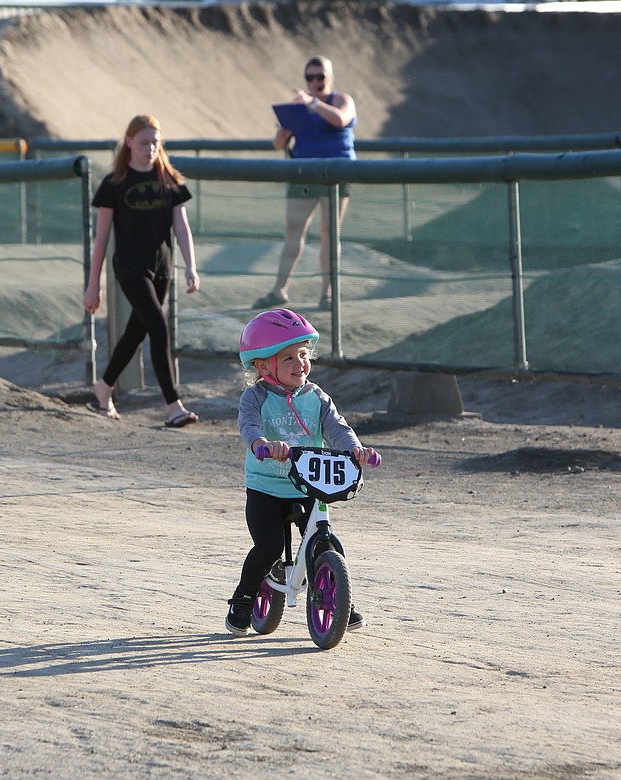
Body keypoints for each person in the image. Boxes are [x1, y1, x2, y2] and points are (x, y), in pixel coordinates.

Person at [225, 307, 377, 637]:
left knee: (327, 546)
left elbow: (338, 427)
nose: (300, 364)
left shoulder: (317, 397)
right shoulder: (255, 397)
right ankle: (244, 598)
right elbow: (249, 426)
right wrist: (262, 443)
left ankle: (341, 600)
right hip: (266, 487)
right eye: (289, 358)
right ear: (264, 365)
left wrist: (355, 449)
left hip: (308, 485)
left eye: (303, 354)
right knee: (269, 546)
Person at [84, 114, 201, 427]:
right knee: (158, 328)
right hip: (130, 269)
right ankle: (174, 406)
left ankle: (103, 387)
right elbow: (102, 237)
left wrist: (191, 265)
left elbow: (182, 226)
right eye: (143, 142)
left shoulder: (171, 180)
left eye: (155, 142)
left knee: (136, 332)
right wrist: (93, 285)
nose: (150, 148)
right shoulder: (114, 183)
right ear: (129, 142)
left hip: (162, 268)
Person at [254, 55, 357, 313]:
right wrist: (283, 132)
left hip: (336, 173)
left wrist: (313, 104)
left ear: (329, 78)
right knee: (293, 230)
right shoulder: (301, 107)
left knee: (329, 233)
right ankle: (279, 289)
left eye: (320, 77)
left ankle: (328, 293)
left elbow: (341, 119)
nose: (315, 82)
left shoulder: (341, 100)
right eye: (310, 78)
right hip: (303, 172)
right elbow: (278, 144)